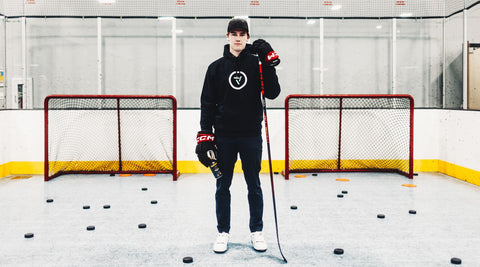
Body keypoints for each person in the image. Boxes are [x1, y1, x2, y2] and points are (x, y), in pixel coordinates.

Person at [195, 18, 281, 254]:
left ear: (247, 37)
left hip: (251, 135)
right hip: (224, 137)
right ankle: (223, 232)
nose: (238, 37)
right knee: (223, 185)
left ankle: (257, 231)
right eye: (234, 33)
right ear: (227, 36)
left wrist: (267, 62)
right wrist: (205, 133)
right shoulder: (215, 68)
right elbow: (207, 103)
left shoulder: (257, 65)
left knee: (254, 184)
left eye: (242, 34)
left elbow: (273, 93)